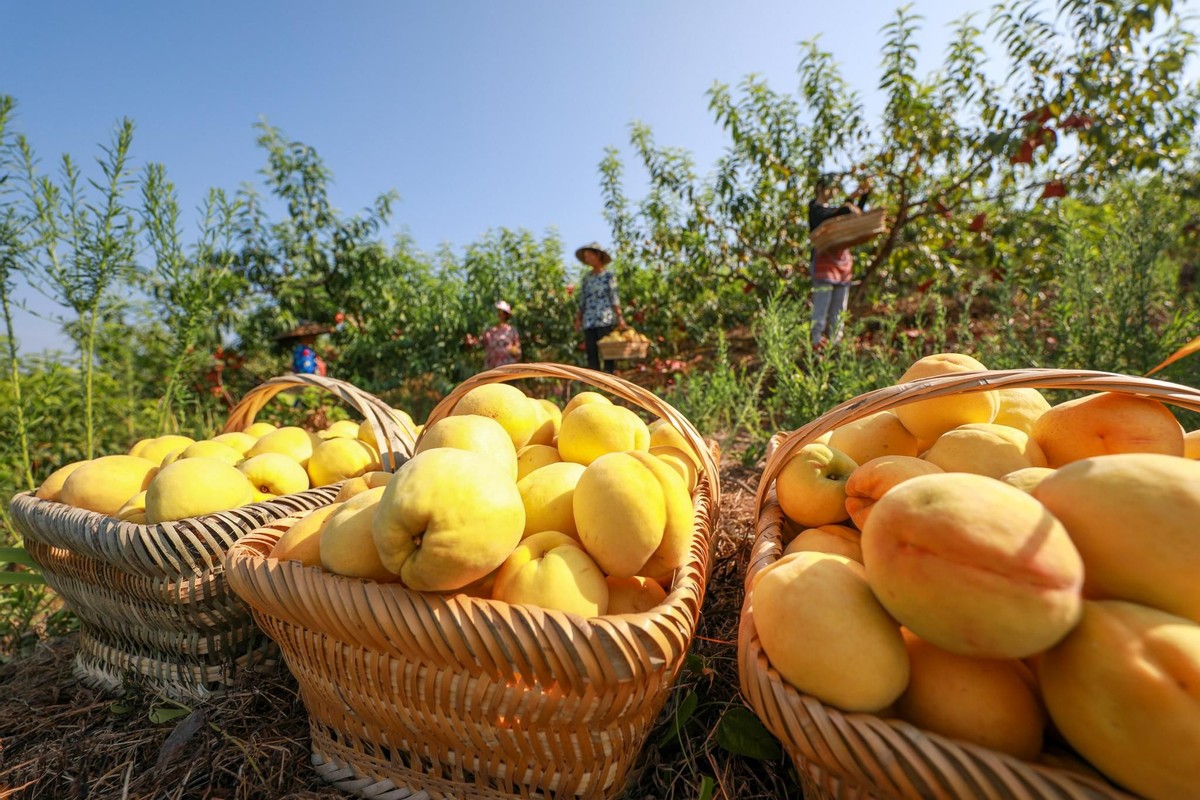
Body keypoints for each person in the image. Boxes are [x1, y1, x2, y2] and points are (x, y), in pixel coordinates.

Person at [808, 174, 871, 349]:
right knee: (822, 305)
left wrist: (861, 195)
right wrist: (849, 203)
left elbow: (849, 214)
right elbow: (830, 215)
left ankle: (835, 343)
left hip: (842, 264)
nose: (833, 191)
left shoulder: (834, 209)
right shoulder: (815, 209)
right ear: (821, 188)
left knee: (839, 307)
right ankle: (816, 341)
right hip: (825, 265)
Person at [573, 242, 625, 373]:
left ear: (598, 255)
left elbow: (614, 297)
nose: (587, 259)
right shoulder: (587, 278)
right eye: (585, 257)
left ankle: (609, 378)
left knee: (608, 350)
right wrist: (579, 319)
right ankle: (594, 379)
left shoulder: (608, 276)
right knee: (591, 351)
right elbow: (583, 300)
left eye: (589, 255)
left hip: (605, 319)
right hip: (589, 320)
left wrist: (620, 317)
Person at [480, 300, 522, 370]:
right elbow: (484, 346)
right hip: (492, 369)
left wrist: (511, 349)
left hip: (507, 369)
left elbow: (518, 351)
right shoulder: (489, 332)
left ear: (505, 314)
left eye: (500, 312)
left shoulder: (511, 331)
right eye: (497, 312)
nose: (498, 314)